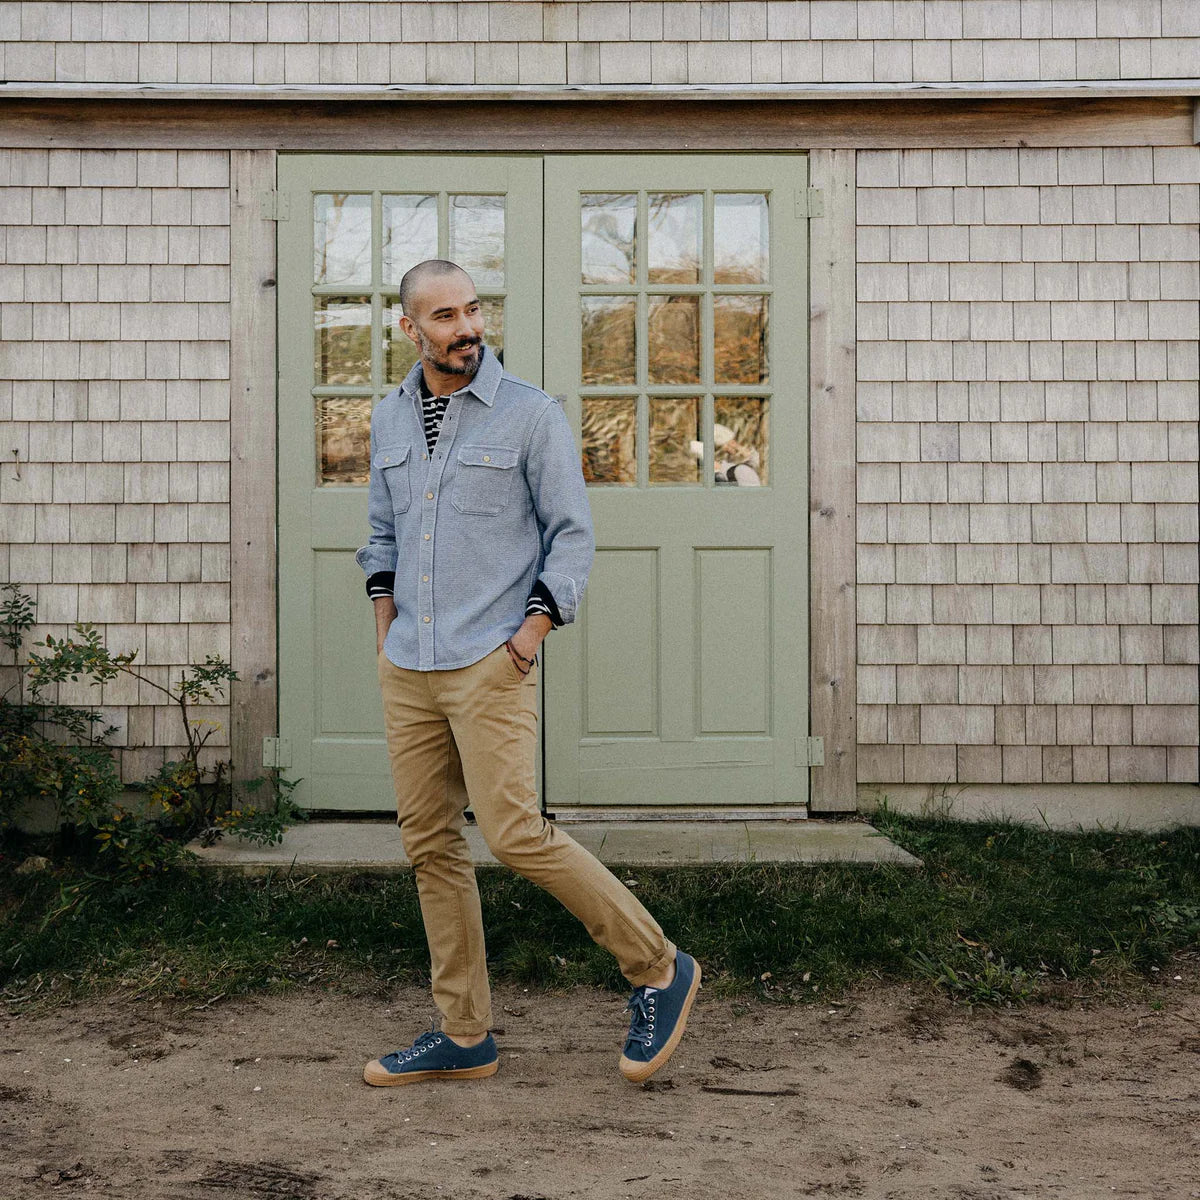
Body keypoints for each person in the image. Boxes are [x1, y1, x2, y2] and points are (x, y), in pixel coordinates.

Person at [355, 259, 699, 1087]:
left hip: (491, 659)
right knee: (431, 845)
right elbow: (381, 534)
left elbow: (572, 535)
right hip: (411, 664)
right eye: (445, 316)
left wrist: (532, 631)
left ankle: (657, 965)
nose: (466, 327)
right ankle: (463, 1032)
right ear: (410, 329)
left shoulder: (529, 414)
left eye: (473, 310)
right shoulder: (389, 418)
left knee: (513, 834)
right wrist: (384, 633)